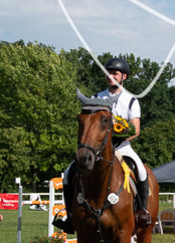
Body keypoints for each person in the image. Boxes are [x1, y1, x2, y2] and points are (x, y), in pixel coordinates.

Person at [55, 57, 152, 233]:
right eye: (109, 72)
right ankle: (70, 215)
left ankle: (142, 212)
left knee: (142, 170)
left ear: (124, 77)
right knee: (69, 173)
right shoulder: (95, 97)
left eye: (115, 73)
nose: (111, 76)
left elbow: (135, 130)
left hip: (121, 147)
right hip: (97, 149)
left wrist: (118, 138)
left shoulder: (131, 100)